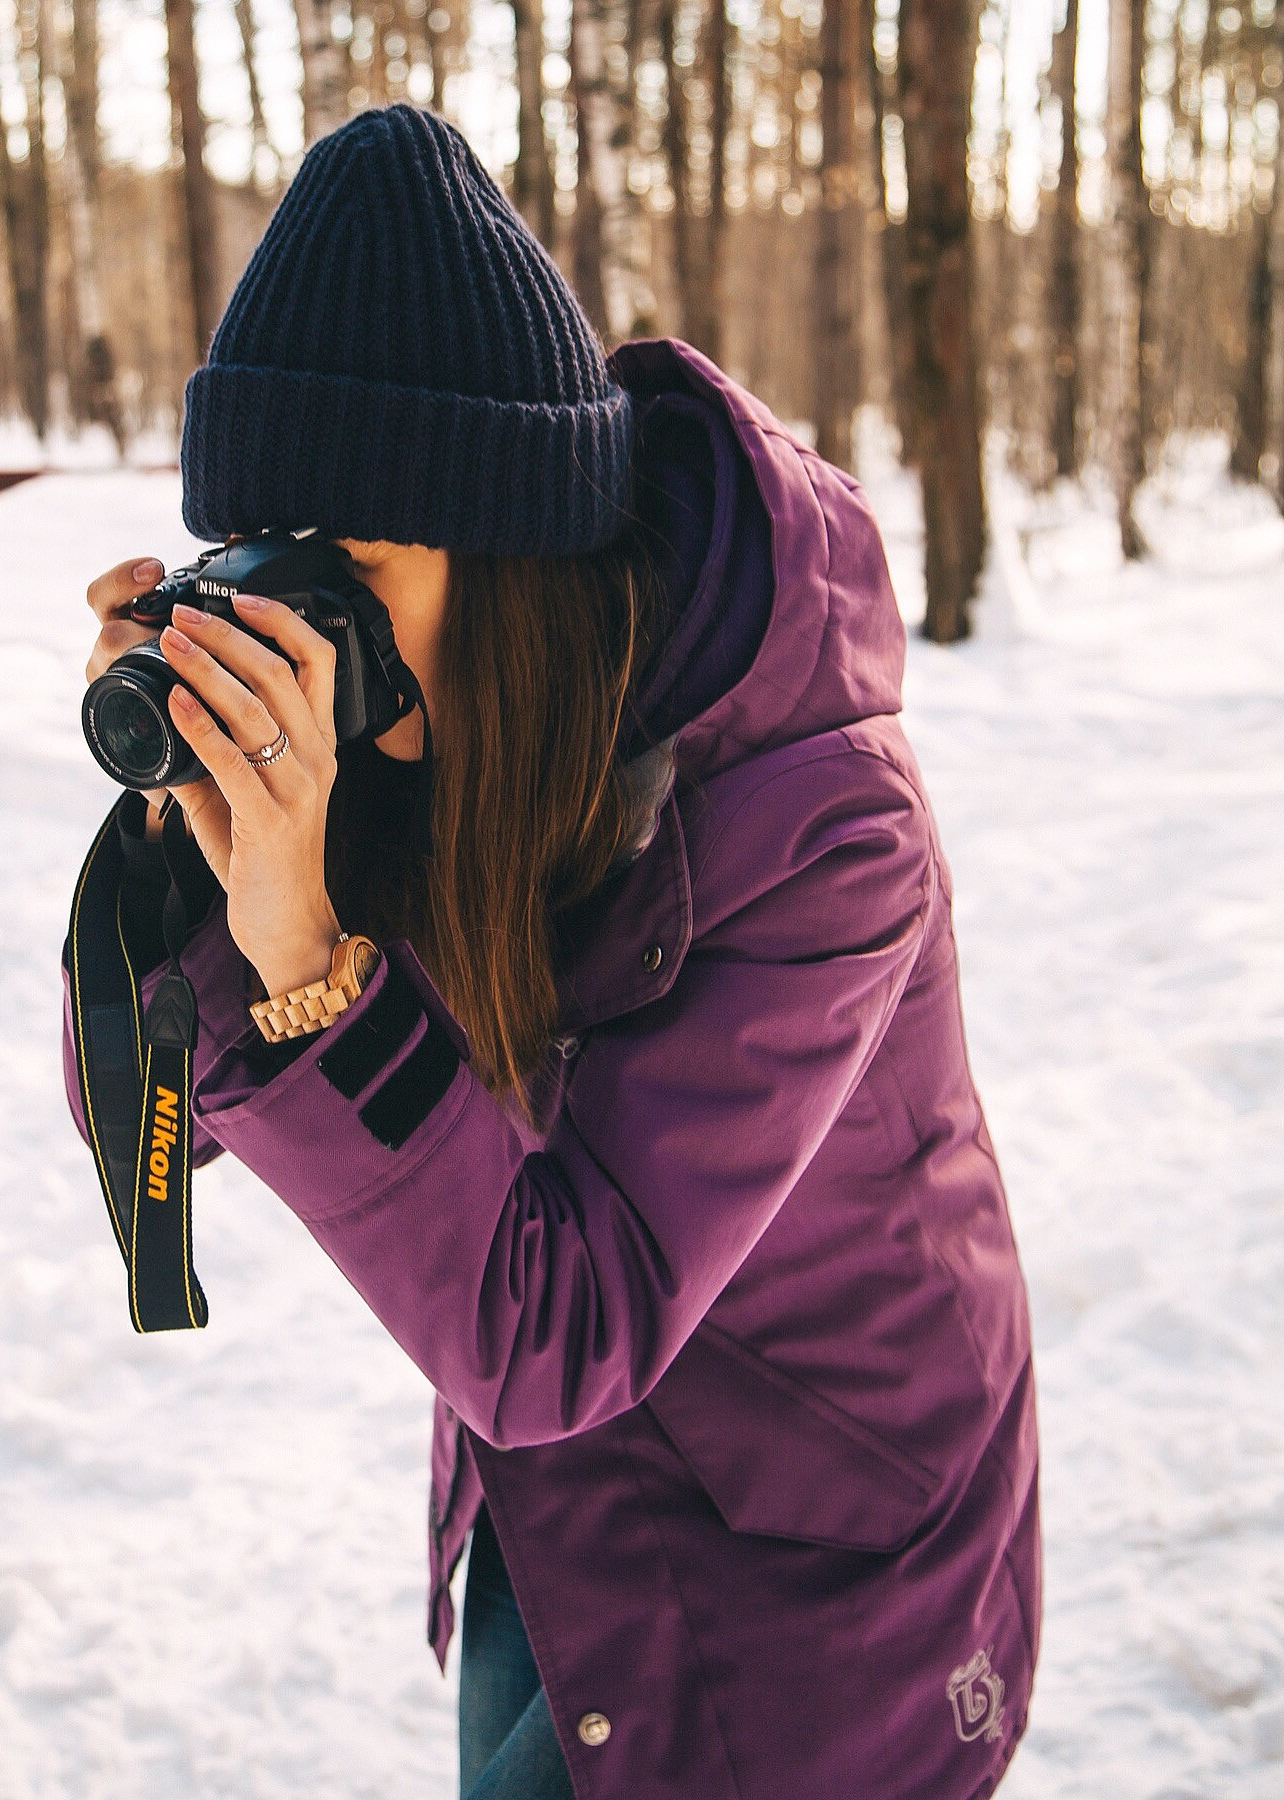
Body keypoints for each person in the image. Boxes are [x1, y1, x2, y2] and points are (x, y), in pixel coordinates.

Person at [63, 103, 1040, 1800]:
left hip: (824, 1577)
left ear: (510, 553)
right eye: (266, 565)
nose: (309, 631)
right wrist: (184, 846)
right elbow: (143, 1117)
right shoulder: (411, 737)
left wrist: (303, 941)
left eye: (348, 565)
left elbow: (558, 1328)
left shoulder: (818, 824)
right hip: (557, 1515)